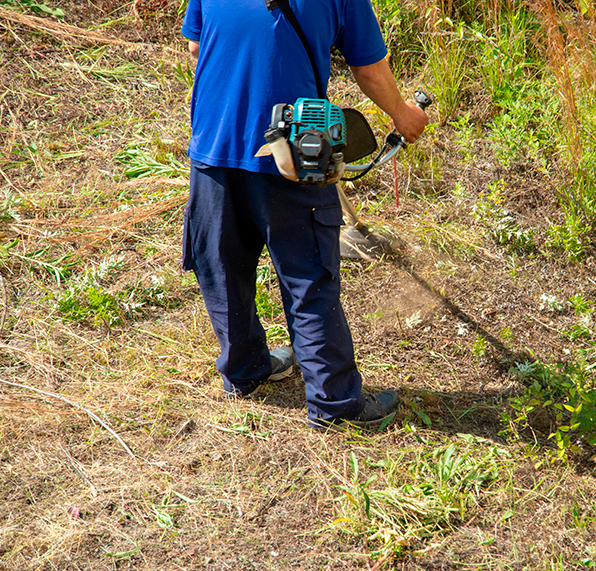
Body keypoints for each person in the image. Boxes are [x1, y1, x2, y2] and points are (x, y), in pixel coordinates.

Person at [180, 0, 428, 429]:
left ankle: (244, 371)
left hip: (213, 145)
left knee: (222, 265)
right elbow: (368, 68)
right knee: (308, 277)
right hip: (292, 155)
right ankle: (334, 405)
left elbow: (196, 48)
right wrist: (403, 115)